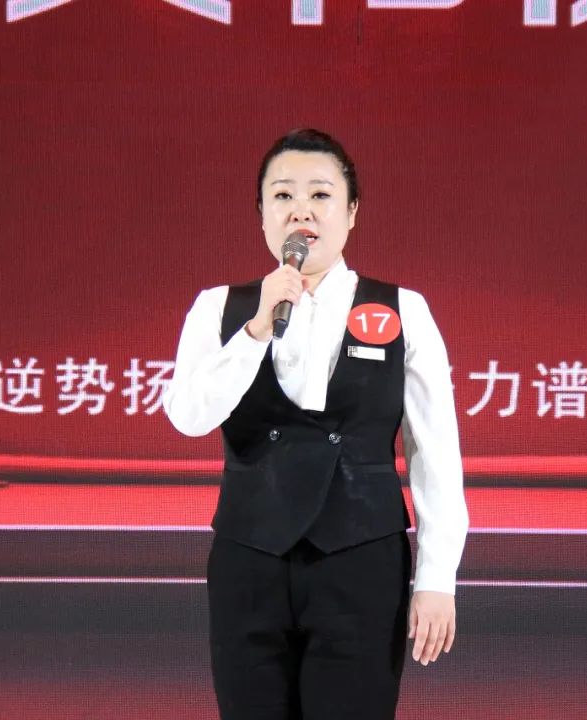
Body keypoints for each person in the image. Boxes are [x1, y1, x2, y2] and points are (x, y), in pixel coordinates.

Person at [162, 128, 468, 720]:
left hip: (361, 556)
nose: (300, 210)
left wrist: (437, 578)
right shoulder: (219, 308)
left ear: (351, 213)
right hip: (251, 557)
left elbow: (435, 455)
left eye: (321, 195)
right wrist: (255, 329)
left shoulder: (403, 309)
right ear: (261, 214)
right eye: (282, 195)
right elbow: (189, 417)